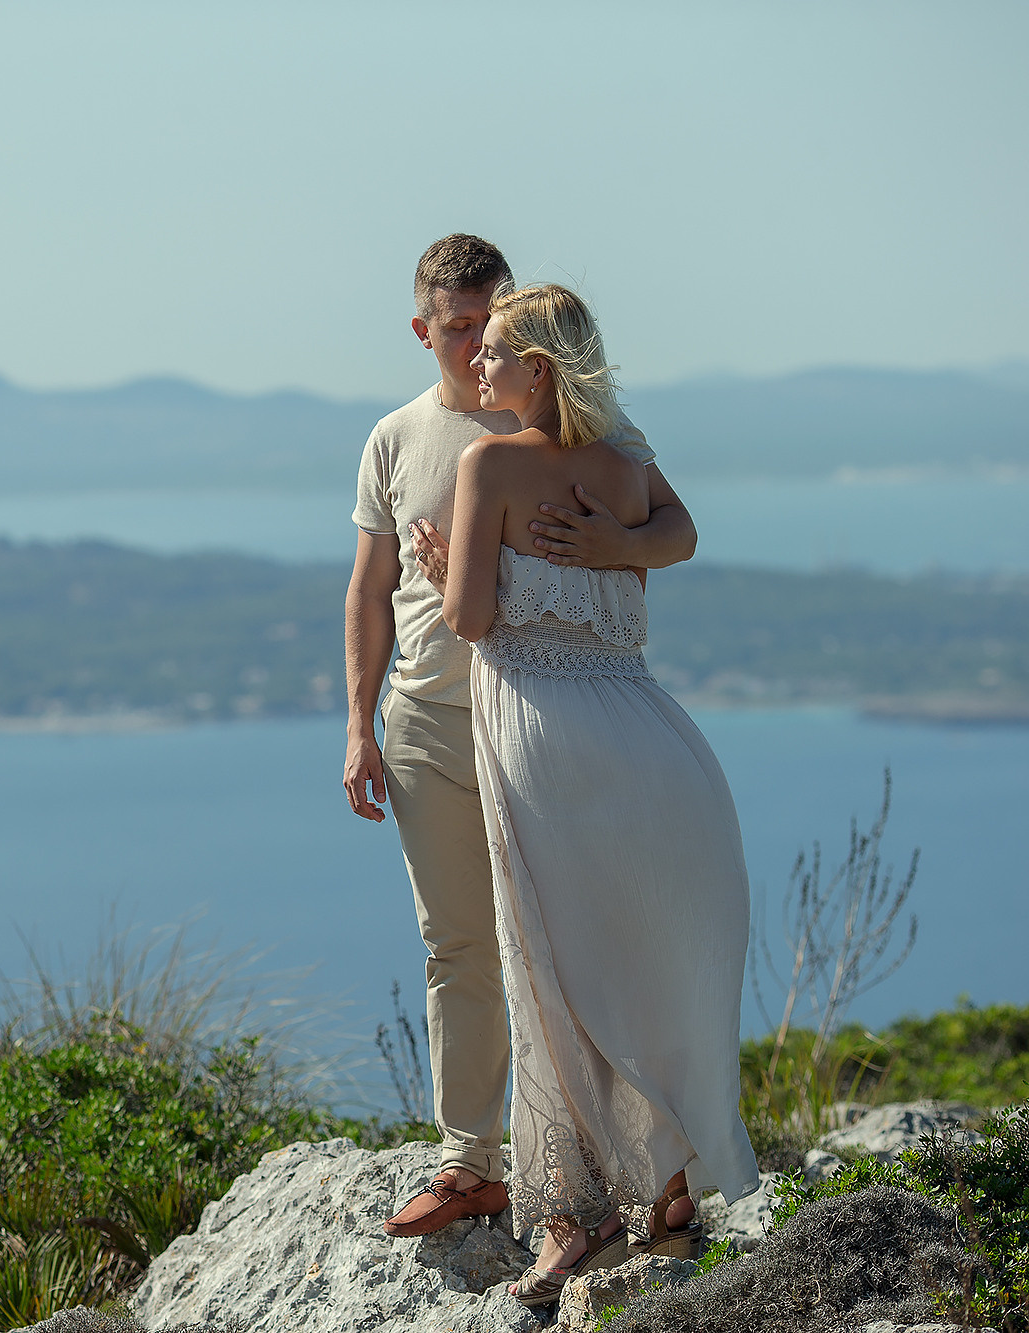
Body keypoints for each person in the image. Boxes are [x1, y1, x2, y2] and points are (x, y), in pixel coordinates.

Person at [343, 235, 699, 1239]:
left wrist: (611, 545)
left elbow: (673, 530)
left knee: (569, 941)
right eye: (456, 326)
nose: (474, 341)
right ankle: (468, 1161)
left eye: (489, 321)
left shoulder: (579, 427)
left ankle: (624, 1163)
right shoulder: (393, 440)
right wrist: (356, 727)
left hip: (542, 721)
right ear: (423, 331)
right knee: (454, 941)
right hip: (426, 720)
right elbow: (369, 592)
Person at [435, 281, 759, 1306]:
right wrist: (622, 546)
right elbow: (683, 532)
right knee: (635, 973)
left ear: (537, 367)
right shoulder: (624, 464)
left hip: (546, 741)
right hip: (659, 749)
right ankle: (663, 1182)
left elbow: (473, 623)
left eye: (492, 351)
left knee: (553, 980)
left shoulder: (485, 463)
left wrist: (450, 561)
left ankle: (569, 1224)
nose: (476, 365)